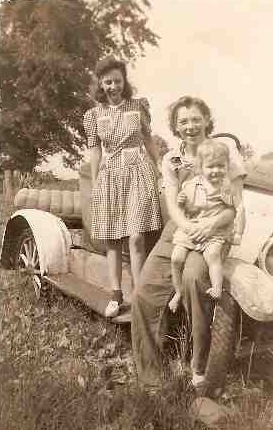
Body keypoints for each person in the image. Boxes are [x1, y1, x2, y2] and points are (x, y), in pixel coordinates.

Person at [131, 96, 246, 388]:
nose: (190, 126)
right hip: (181, 229)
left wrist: (208, 225)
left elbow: (236, 205)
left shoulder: (224, 153)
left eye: (196, 119)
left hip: (217, 228)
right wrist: (188, 227)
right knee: (144, 293)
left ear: (207, 120)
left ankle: (201, 369)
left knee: (196, 279)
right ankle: (152, 377)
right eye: (183, 121)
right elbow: (172, 204)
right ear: (175, 126)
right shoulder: (172, 159)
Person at [83, 56, 162, 318]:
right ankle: (116, 295)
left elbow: (149, 141)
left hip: (139, 171)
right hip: (109, 177)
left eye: (118, 80)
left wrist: (159, 169)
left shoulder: (139, 106)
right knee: (113, 239)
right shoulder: (93, 115)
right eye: (108, 82)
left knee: (137, 236)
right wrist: (95, 185)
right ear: (101, 85)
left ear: (124, 81)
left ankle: (139, 296)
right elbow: (95, 152)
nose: (113, 86)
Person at [169, 139, 245, 314]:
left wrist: (238, 232)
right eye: (211, 167)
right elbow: (188, 209)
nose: (216, 171)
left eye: (221, 166)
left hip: (215, 232)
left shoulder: (226, 187)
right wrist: (182, 202)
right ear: (201, 168)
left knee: (213, 255)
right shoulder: (193, 184)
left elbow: (234, 210)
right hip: (194, 227)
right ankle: (178, 292)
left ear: (227, 166)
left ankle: (217, 288)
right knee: (176, 258)